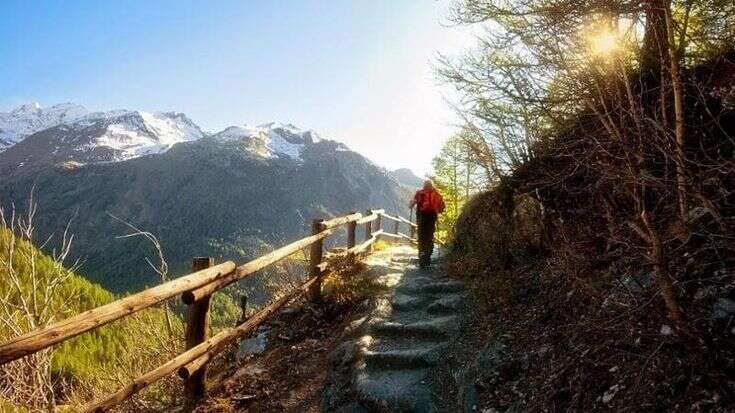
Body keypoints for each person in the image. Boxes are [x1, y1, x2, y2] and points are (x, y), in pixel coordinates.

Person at [409, 180, 445, 268]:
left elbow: (411, 204)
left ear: (424, 185)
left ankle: (422, 257)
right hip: (432, 217)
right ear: (432, 185)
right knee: (429, 237)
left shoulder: (419, 193)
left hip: (421, 217)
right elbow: (442, 207)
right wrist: (437, 210)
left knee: (421, 237)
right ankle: (427, 258)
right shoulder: (437, 194)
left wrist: (411, 204)